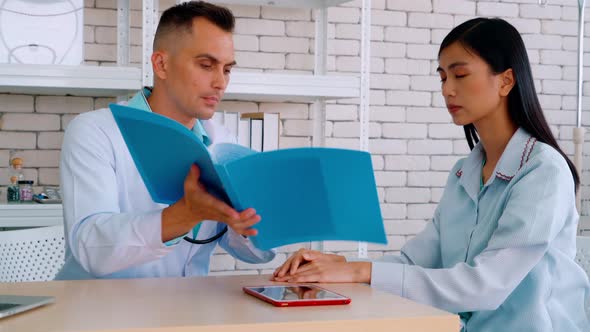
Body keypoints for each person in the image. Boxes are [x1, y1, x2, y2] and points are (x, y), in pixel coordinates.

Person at [272, 18, 590, 331]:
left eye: (461, 75)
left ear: (506, 81)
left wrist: (361, 272)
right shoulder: (464, 173)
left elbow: (487, 285)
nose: (448, 90)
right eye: (442, 78)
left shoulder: (542, 170)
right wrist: (338, 266)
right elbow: (416, 262)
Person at [56, 1, 274, 279]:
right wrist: (186, 214)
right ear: (161, 64)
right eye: (206, 65)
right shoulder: (95, 131)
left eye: (227, 69)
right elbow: (92, 250)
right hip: (101, 313)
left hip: (185, 311)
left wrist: (248, 224)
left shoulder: (223, 142)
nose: (221, 82)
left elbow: (254, 254)